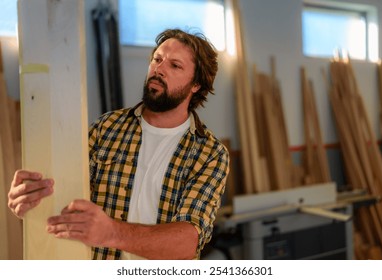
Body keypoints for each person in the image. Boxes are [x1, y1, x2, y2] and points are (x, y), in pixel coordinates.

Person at [7, 29, 230, 260]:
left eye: (175, 66)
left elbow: (186, 243)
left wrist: (111, 232)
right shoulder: (107, 128)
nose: (159, 69)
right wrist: (31, 201)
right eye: (157, 59)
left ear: (196, 85)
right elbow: (63, 194)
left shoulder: (210, 153)